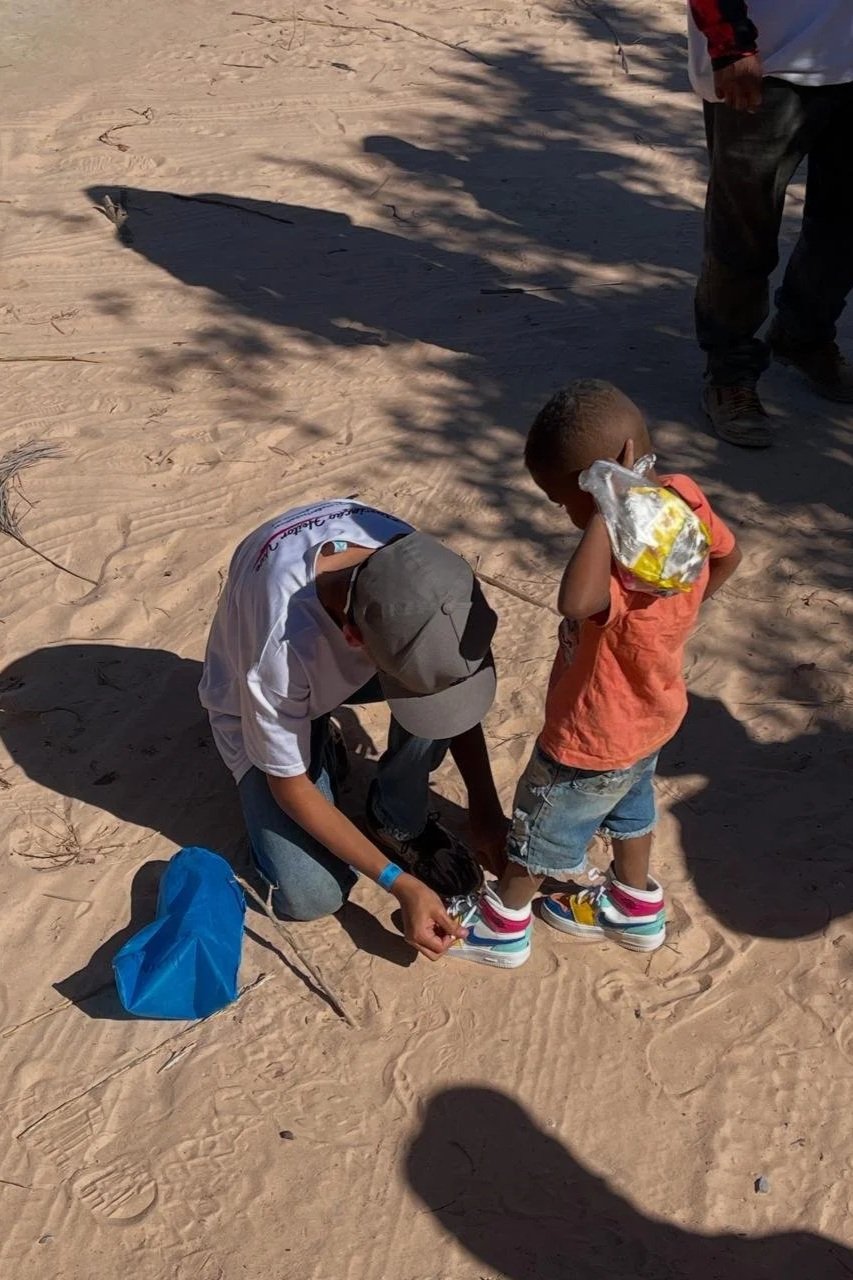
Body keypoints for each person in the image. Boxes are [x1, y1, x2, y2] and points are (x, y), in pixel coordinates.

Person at [448, 380, 741, 967]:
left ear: (602, 482)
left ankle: (504, 924)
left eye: (565, 500)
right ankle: (633, 905)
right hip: (650, 715)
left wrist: (608, 508)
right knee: (631, 806)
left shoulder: (624, 556)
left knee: (543, 826)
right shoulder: (684, 497)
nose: (565, 514)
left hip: (592, 731)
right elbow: (729, 554)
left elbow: (574, 602)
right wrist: (681, 615)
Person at [199, 499, 507, 960]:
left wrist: (485, 807)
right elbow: (290, 789)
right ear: (354, 640)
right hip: (259, 700)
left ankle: (395, 817)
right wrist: (398, 883)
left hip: (333, 666)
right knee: (310, 894)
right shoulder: (277, 650)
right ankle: (312, 739)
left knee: (436, 681)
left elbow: (453, 673)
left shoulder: (424, 572)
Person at [688, 1, 853, 448]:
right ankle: (730, 372)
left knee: (844, 227)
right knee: (744, 231)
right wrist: (730, 45)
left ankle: (803, 335)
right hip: (769, 57)